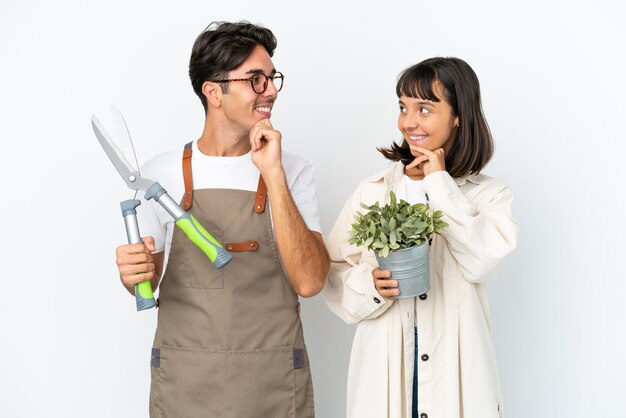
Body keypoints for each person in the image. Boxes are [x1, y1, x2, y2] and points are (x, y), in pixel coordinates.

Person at [115, 21, 329, 417]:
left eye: (272, 77)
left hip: (273, 380)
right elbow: (146, 283)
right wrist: (132, 274)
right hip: (187, 380)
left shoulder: (294, 170)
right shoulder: (160, 174)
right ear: (213, 90)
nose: (271, 90)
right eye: (256, 79)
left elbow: (311, 280)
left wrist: (273, 174)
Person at [323, 57, 518, 418]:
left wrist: (438, 183)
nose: (408, 121)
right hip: (383, 377)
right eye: (403, 107)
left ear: (459, 115)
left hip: (456, 380)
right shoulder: (373, 191)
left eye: (425, 109)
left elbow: (483, 262)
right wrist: (372, 286)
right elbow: (332, 275)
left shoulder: (489, 195)